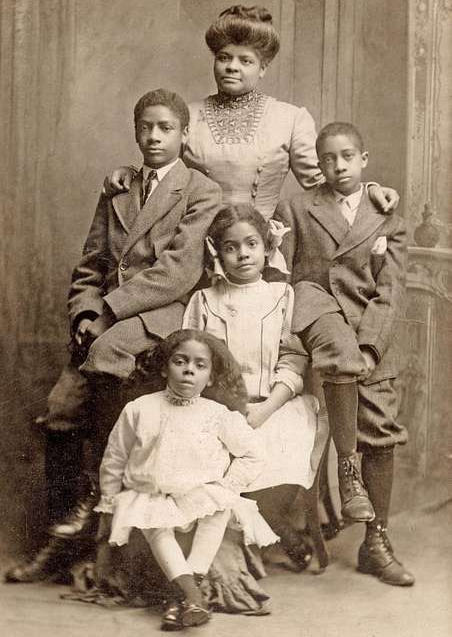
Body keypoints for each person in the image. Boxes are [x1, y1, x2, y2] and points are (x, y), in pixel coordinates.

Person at [5, 89, 222, 583]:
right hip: (107, 318)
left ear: (184, 135)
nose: (154, 136)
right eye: (145, 127)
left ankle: (96, 497)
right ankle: (65, 530)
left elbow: (176, 272)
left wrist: (107, 311)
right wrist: (85, 310)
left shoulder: (199, 191)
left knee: (106, 352)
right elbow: (91, 263)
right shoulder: (119, 188)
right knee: (60, 410)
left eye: (166, 128)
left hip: (160, 312)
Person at [275, 121, 414, 586]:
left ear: (364, 160)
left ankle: (376, 538)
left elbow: (389, 292)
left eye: (347, 157)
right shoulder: (296, 207)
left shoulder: (386, 213)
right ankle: (306, 514)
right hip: (316, 327)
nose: (338, 166)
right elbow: (284, 275)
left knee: (381, 429)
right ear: (317, 164)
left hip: (368, 333)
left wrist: (372, 345)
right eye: (328, 159)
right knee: (314, 397)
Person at [105, 4, 399, 219]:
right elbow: (159, 174)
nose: (232, 67)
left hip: (259, 247)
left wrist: (369, 189)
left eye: (245, 61)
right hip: (190, 243)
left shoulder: (290, 119)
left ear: (263, 68)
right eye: (224, 58)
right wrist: (130, 174)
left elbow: (326, 183)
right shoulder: (186, 116)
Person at [94, 329, 278, 631]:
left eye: (200, 365)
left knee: (219, 510)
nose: (189, 369)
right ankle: (192, 596)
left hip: (199, 495)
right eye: (181, 361)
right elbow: (115, 458)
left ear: (211, 377)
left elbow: (254, 454)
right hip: (152, 495)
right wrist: (109, 501)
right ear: (165, 367)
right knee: (155, 525)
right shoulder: (139, 409)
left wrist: (227, 487)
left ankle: (181, 599)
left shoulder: (218, 414)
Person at [183, 204, 325, 552]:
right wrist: (226, 406)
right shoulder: (204, 300)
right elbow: (191, 359)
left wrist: (266, 408)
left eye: (251, 244)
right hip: (220, 406)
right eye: (231, 247)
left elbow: (294, 358)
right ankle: (243, 539)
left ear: (266, 247)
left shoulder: (282, 297)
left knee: (286, 442)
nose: (242, 254)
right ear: (218, 252)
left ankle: (268, 525)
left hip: (275, 404)